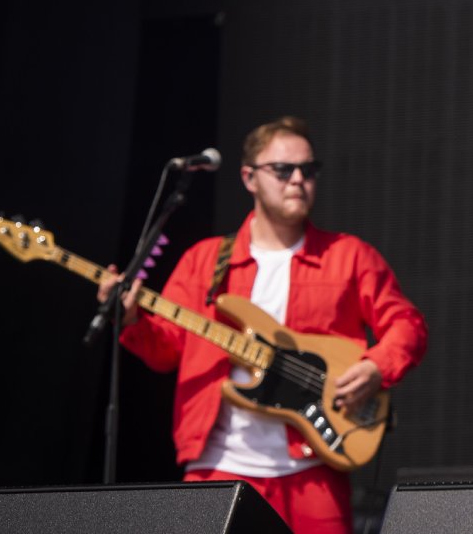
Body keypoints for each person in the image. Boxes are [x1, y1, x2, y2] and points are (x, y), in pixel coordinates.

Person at [97, 116, 428, 534]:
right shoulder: (204, 260)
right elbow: (166, 351)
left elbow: (407, 324)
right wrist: (129, 321)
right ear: (249, 178)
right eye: (283, 170)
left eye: (308, 171)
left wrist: (377, 366)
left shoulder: (349, 256)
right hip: (217, 468)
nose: (298, 180)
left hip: (314, 468)